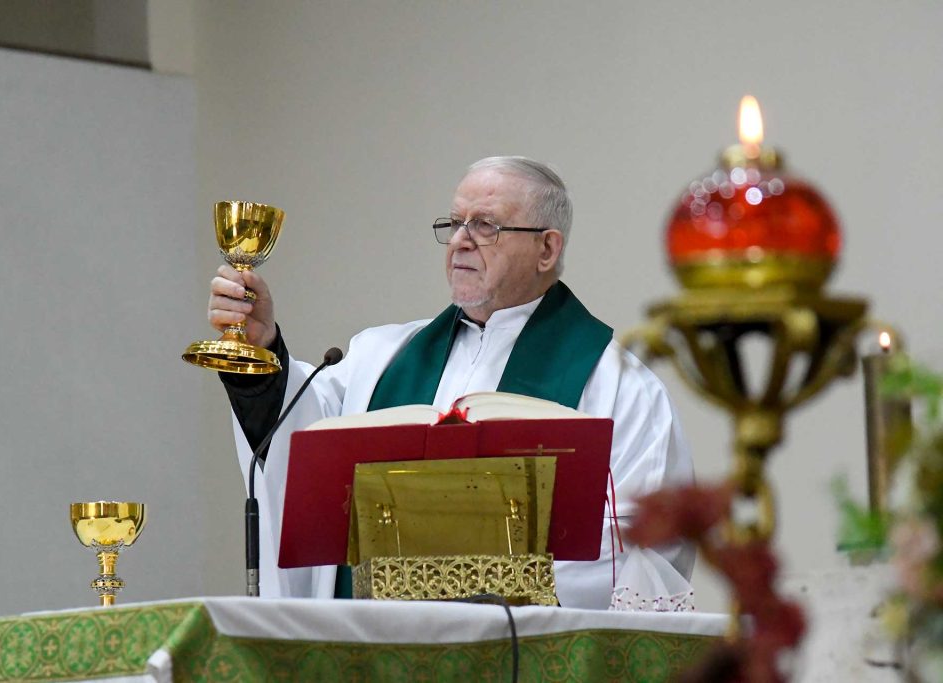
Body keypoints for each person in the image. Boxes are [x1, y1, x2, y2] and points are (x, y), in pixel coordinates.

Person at [209, 156, 695, 609]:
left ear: (547, 248)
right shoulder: (380, 358)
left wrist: (468, 589)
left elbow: (644, 547)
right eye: (454, 223)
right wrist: (261, 348)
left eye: (485, 226)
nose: (461, 240)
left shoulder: (616, 384)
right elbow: (298, 444)